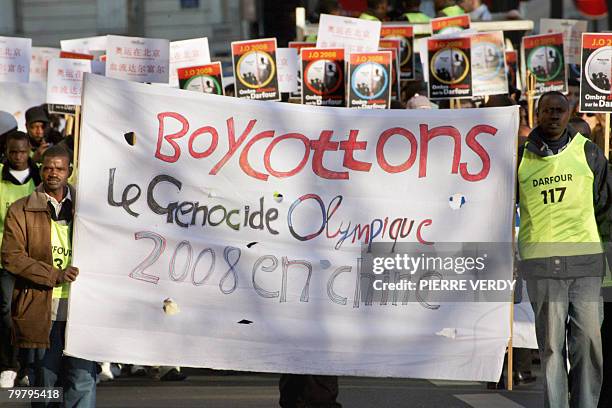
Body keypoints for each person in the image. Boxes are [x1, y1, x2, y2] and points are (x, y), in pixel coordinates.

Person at [517, 91, 611, 408]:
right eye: (547, 110)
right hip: (541, 263)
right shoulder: (520, 156)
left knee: (588, 342)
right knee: (552, 348)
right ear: (538, 114)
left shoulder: (590, 153)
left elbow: (606, 210)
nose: (554, 115)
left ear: (569, 113)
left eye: (560, 109)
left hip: (585, 262)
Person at [1, 145, 97, 406]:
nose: (53, 173)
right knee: (45, 384)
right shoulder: (20, 210)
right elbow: (12, 257)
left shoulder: (91, 211)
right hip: (41, 308)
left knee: (83, 379)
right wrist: (55, 274)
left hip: (82, 309)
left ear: (70, 171)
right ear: (41, 168)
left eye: (59, 168)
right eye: (48, 167)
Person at [0, 131, 41, 388]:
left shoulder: (41, 176)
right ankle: (7, 365)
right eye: (12, 152)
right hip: (4, 258)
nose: (17, 157)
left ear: (30, 151)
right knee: (5, 312)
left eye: (22, 152)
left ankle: (28, 367)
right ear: (5, 151)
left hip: (34, 257)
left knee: (29, 314)